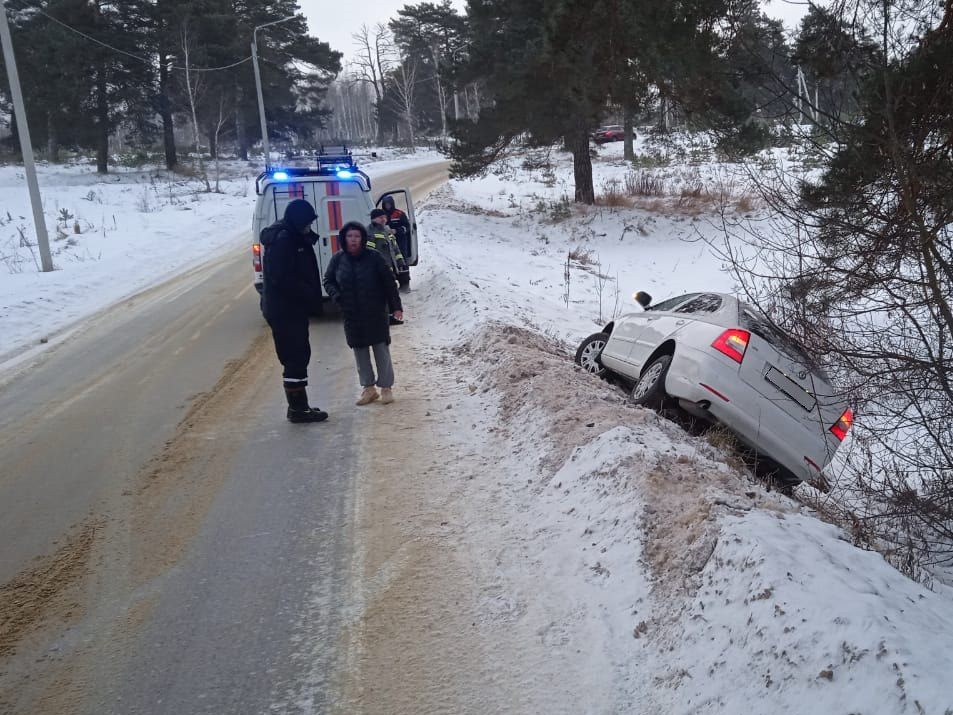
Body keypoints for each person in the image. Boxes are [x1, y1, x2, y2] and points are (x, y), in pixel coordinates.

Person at [260, 198, 329, 423]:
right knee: (295, 356)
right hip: (285, 309)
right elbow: (281, 277)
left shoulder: (293, 235)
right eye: (307, 222)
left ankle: (300, 406)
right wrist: (306, 291)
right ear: (298, 220)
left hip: (290, 307)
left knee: (299, 354)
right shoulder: (283, 240)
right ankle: (298, 409)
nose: (310, 226)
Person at [323, 221, 403, 406]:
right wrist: (337, 295)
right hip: (351, 313)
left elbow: (389, 283)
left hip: (375, 312)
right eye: (350, 236)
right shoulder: (338, 259)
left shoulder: (374, 258)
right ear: (344, 238)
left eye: (357, 236)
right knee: (360, 351)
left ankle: (386, 388)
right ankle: (369, 389)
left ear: (363, 238)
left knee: (381, 350)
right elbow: (328, 280)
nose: (353, 240)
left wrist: (396, 307)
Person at [367, 208, 407, 325]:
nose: (384, 219)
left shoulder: (386, 230)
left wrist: (400, 262)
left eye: (385, 217)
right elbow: (370, 252)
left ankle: (391, 315)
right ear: (374, 218)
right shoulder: (370, 232)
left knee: (391, 292)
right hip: (379, 270)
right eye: (381, 217)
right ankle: (382, 317)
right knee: (382, 294)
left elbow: (395, 248)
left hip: (390, 268)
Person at [380, 194, 412, 272]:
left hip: (400, 241)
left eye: (388, 204)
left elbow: (407, 227)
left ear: (392, 204)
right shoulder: (381, 215)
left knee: (402, 261)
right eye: (385, 204)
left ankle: (404, 277)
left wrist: (396, 231)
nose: (387, 206)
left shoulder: (400, 214)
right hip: (387, 242)